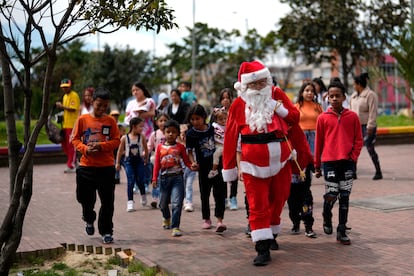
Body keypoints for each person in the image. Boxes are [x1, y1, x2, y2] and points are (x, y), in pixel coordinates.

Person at [222, 61, 299, 266]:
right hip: (251, 165)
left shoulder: (277, 95)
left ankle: (272, 230)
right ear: (246, 85)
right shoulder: (239, 104)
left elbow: (295, 117)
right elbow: (230, 137)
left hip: (281, 161)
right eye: (254, 83)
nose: (258, 87)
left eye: (262, 82)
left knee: (280, 197)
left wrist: (277, 108)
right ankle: (262, 246)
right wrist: (229, 167)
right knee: (257, 204)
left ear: (268, 80)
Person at [314, 78, 363, 245]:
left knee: (345, 196)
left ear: (344, 97)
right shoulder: (322, 118)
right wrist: (317, 165)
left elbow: (358, 140)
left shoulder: (353, 117)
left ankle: (341, 229)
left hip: (348, 163)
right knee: (332, 194)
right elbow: (318, 143)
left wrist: (353, 157)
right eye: (331, 96)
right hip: (329, 163)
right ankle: (327, 215)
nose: (334, 98)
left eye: (338, 96)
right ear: (327, 97)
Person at [71, 87, 120, 244]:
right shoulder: (82, 120)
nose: (101, 108)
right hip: (86, 167)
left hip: (106, 167)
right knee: (85, 198)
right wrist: (85, 149)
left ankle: (106, 231)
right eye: (99, 104)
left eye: (105, 106)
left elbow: (117, 140)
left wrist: (101, 146)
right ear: (92, 102)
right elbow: (75, 139)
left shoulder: (110, 121)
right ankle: (88, 218)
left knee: (107, 201)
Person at [186, 104, 227, 233]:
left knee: (220, 193)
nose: (195, 122)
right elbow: (190, 151)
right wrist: (193, 163)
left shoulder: (212, 129)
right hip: (203, 168)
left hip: (217, 166)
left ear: (204, 117)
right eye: (192, 119)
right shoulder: (191, 133)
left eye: (197, 118)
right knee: (205, 194)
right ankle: (206, 219)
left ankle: (220, 220)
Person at [152, 119, 196, 237]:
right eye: (168, 132)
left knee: (177, 203)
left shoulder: (180, 147)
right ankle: (166, 217)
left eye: (173, 132)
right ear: (164, 133)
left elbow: (186, 162)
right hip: (164, 179)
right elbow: (157, 164)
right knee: (162, 204)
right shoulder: (160, 147)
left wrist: (192, 166)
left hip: (177, 178)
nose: (171, 134)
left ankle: (175, 226)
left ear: (177, 134)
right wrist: (154, 179)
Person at [349, 72, 383, 180]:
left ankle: (378, 172)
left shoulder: (370, 95)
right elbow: (350, 111)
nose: (353, 86)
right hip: (355, 127)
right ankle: (353, 173)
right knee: (353, 149)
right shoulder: (353, 96)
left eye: (354, 84)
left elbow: (373, 112)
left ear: (359, 84)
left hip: (367, 127)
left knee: (370, 148)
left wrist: (370, 127)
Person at [124, 82, 156, 194]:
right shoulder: (130, 103)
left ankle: (146, 182)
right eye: (133, 90)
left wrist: (138, 115)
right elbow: (127, 118)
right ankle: (138, 184)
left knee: (145, 159)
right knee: (134, 160)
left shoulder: (150, 101)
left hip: (147, 134)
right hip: (133, 136)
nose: (135, 92)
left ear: (142, 90)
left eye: (137, 89)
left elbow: (152, 113)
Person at [286, 123, 316, 238]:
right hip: (289, 175)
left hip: (303, 172)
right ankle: (295, 222)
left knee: (306, 201)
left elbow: (306, 149)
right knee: (292, 204)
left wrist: (312, 164)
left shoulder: (298, 131)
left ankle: (308, 226)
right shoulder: (281, 135)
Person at [116, 117, 149, 211]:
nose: (142, 129)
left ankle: (143, 195)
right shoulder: (124, 138)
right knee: (130, 181)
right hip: (129, 162)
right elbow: (120, 151)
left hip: (139, 161)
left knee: (140, 180)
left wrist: (146, 158)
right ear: (133, 126)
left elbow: (146, 149)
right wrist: (118, 163)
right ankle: (130, 202)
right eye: (140, 126)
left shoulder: (141, 137)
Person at [218, 88, 239, 210]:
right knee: (224, 172)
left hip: (235, 146)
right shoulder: (217, 112)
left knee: (234, 172)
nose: (226, 100)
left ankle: (233, 197)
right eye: (223, 98)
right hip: (221, 147)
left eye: (228, 97)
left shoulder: (235, 111)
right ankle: (225, 197)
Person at [56, 78, 80, 173]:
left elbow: (73, 109)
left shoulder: (74, 95)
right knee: (65, 144)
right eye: (63, 87)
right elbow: (66, 110)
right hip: (66, 124)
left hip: (72, 124)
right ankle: (74, 161)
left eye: (66, 87)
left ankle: (71, 164)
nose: (64, 89)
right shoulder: (65, 96)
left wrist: (62, 107)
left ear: (70, 86)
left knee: (71, 145)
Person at [294, 81, 323, 156]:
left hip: (315, 136)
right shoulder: (296, 107)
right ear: (301, 93)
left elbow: (323, 123)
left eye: (312, 91)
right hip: (301, 136)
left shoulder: (318, 107)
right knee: (302, 159)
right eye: (307, 90)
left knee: (314, 159)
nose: (310, 93)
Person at [147, 113, 170, 208]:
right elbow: (150, 146)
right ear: (157, 122)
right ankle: (155, 198)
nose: (163, 123)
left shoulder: (170, 132)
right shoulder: (155, 134)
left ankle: (165, 198)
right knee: (156, 178)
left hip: (169, 161)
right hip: (157, 161)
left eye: (165, 120)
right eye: (161, 121)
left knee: (167, 180)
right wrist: (144, 154)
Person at [178, 124, 197, 212]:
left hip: (191, 168)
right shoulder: (177, 145)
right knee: (182, 185)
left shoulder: (192, 143)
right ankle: (184, 199)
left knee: (189, 185)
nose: (184, 135)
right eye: (182, 133)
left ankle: (189, 202)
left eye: (186, 132)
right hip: (181, 169)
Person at [208, 106, 227, 179]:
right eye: (220, 119)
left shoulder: (226, 127)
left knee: (216, 155)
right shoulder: (214, 126)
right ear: (216, 120)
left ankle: (214, 170)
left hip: (223, 145)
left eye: (225, 119)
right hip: (215, 144)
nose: (223, 121)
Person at [110, 110, 126, 184]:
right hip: (113, 151)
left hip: (120, 151)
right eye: (113, 115)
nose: (115, 117)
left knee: (123, 164)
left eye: (116, 116)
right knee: (115, 165)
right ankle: (116, 178)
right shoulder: (109, 126)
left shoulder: (120, 126)